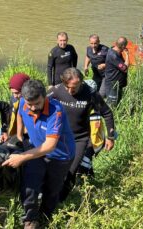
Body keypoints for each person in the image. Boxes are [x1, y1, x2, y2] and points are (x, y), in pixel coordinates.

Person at [2, 80, 75, 229]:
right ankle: (30, 219)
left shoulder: (56, 111)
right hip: (35, 150)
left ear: (45, 97)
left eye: (37, 103)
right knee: (30, 185)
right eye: (30, 105)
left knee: (51, 190)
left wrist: (22, 157)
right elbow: (20, 115)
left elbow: (49, 146)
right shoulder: (23, 102)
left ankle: (45, 216)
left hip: (60, 156)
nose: (33, 108)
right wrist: (20, 136)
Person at [47, 68, 115, 201]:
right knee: (53, 170)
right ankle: (51, 197)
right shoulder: (55, 90)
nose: (71, 91)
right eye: (68, 87)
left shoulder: (90, 93)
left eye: (75, 87)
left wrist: (111, 137)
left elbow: (107, 113)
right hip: (58, 138)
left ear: (81, 82)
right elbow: (38, 104)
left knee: (70, 172)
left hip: (80, 139)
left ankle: (60, 201)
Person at [105, 36, 130, 107]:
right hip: (113, 83)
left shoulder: (112, 49)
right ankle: (110, 116)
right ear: (123, 46)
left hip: (116, 83)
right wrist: (127, 55)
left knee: (117, 102)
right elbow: (125, 68)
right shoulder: (114, 56)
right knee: (112, 104)